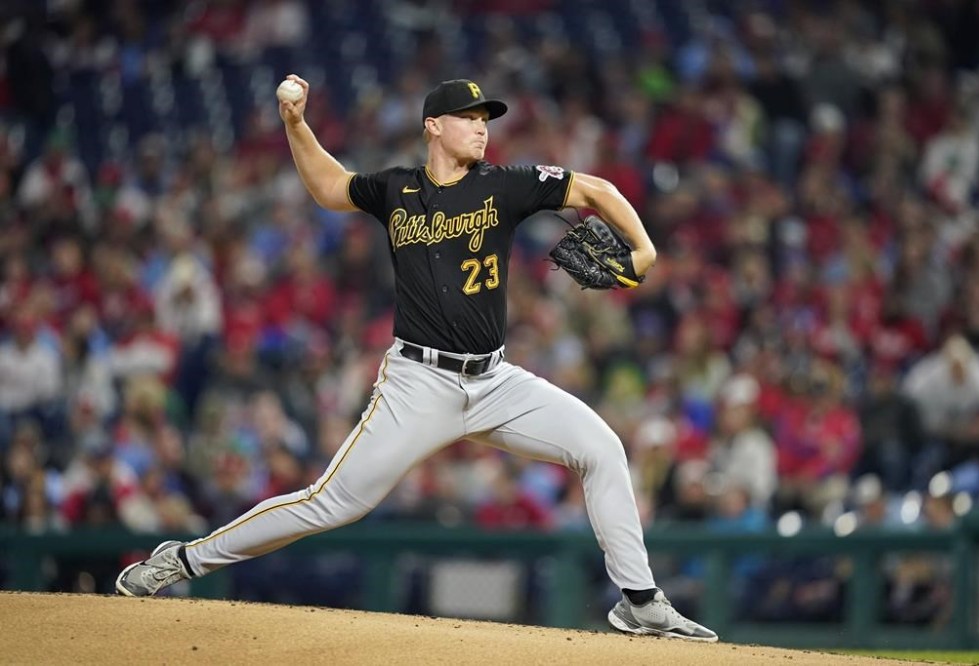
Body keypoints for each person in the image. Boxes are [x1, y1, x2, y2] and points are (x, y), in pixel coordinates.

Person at [114, 75, 718, 642]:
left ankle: (639, 601)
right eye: (468, 117)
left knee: (603, 448)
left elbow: (596, 190)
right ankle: (183, 559)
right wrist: (295, 122)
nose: (482, 127)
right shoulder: (397, 190)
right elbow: (329, 187)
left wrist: (643, 248)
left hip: (496, 380)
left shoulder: (505, 183)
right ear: (433, 125)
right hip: (418, 382)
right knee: (332, 502)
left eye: (486, 118)